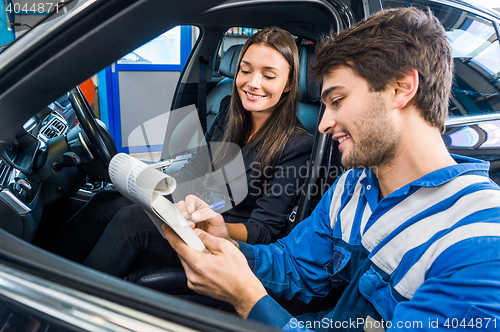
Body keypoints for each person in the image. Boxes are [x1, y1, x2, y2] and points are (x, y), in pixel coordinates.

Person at [162, 7, 500, 331]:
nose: (323, 124)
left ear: (401, 88)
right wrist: (230, 246)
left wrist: (248, 299)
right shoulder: (352, 188)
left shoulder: (476, 243)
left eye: (337, 101)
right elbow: (294, 265)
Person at [50, 26, 314, 277]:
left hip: (222, 240)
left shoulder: (298, 145)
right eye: (246, 71)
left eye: (268, 76)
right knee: (107, 201)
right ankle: (46, 271)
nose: (253, 83)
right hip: (189, 211)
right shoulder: (228, 110)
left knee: (131, 221)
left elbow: (263, 231)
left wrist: (207, 223)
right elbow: (197, 166)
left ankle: (70, 298)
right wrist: (158, 194)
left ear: (289, 84)